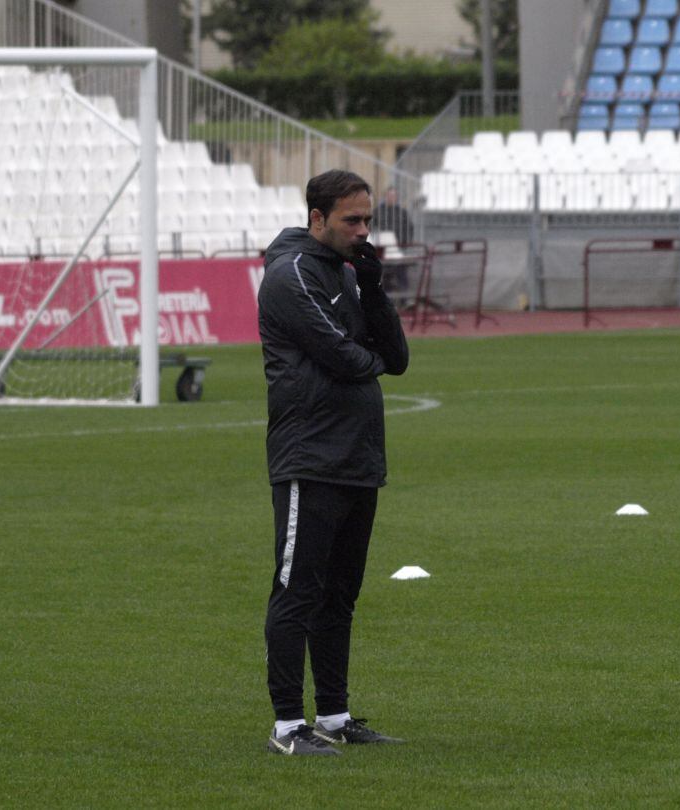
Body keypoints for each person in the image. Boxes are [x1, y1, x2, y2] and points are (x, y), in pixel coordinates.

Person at [257, 169, 410, 756]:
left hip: (358, 455)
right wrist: (365, 351)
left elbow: (394, 359)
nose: (363, 231)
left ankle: (336, 715)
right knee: (297, 590)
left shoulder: (348, 272)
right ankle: (288, 726)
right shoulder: (289, 274)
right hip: (309, 457)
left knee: (340, 595)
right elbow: (346, 358)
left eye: (368, 219)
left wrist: (372, 290)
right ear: (316, 219)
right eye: (352, 220)